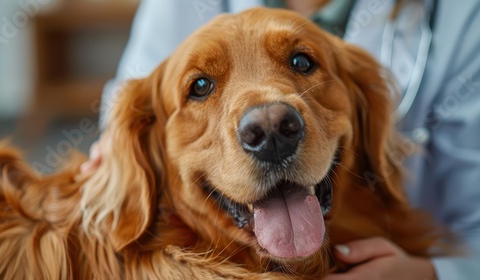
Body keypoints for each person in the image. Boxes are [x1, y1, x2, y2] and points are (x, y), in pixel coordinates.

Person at [81, 0, 480, 279]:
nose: (269, 123)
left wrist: (432, 275)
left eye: (302, 62)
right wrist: (112, 160)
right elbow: (120, 116)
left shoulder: (463, 13)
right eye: (200, 87)